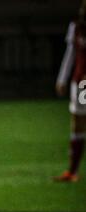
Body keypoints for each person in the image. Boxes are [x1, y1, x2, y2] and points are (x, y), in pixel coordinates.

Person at [54, 0, 86, 182]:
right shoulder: (76, 27)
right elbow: (70, 54)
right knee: (77, 124)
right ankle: (72, 171)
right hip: (81, 83)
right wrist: (62, 79)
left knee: (79, 124)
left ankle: (72, 171)